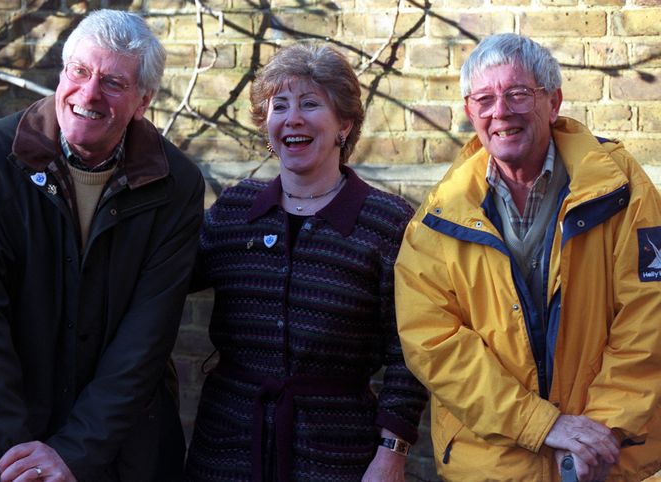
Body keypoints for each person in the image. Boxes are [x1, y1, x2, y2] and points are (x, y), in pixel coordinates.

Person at [0, 9, 204, 482]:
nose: (89, 93)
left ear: (143, 100)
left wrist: (75, 453)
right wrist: (17, 462)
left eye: (113, 83)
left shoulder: (176, 184)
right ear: (62, 73)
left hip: (123, 453)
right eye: (79, 72)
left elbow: (146, 338)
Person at [395, 32, 661, 482]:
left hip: (609, 461)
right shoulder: (438, 218)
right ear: (469, 112)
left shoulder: (622, 189)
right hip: (493, 466)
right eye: (484, 99)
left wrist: (601, 436)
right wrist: (543, 425)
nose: (501, 111)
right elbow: (433, 343)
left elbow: (648, 315)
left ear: (553, 102)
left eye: (518, 94)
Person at [183, 43, 427, 482]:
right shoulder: (236, 211)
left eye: (311, 104)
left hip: (338, 453)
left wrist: (392, 452)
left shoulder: (386, 222)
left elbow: (408, 352)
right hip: (227, 446)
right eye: (280, 106)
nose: (292, 118)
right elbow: (158, 280)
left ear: (344, 125)